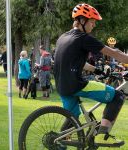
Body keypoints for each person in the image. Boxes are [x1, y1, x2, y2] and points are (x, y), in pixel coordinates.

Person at [54, 3, 128, 146]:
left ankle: (57, 144)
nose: (93, 25)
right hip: (76, 84)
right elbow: (114, 53)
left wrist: (96, 70)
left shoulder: (63, 37)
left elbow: (74, 62)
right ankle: (102, 135)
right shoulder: (83, 38)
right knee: (118, 96)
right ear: (82, 21)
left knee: (72, 120)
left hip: (63, 86)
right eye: (92, 22)